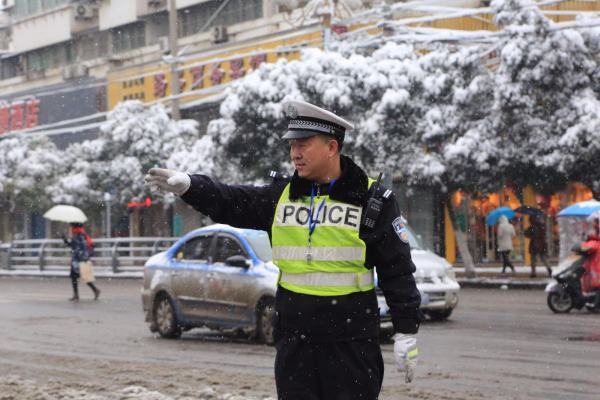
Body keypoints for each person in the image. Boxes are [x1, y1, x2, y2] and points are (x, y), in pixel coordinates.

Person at [145, 100, 422, 400]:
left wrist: (406, 331)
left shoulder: (372, 200)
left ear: (332, 147)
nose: (295, 154)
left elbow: (398, 270)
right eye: (291, 145)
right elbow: (231, 201)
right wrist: (190, 186)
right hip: (296, 342)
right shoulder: (282, 196)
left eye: (303, 144)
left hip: (350, 342)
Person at [63, 223, 100, 301]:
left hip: (78, 259)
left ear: (74, 227)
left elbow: (75, 246)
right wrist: (65, 240)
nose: (71, 228)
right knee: (80, 277)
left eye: (71, 226)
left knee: (76, 277)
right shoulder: (82, 234)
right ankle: (94, 290)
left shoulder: (77, 235)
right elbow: (76, 246)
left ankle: (80, 294)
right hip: (83, 258)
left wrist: (66, 241)